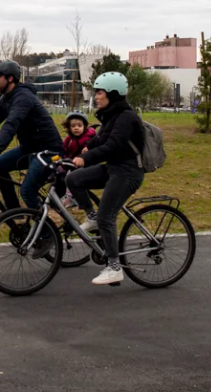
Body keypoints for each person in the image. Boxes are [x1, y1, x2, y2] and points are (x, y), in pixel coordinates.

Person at [0, 60, 64, 254]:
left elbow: (12, 123)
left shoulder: (23, 97)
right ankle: (14, 212)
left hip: (48, 151)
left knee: (27, 191)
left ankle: (48, 235)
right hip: (30, 149)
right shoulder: (6, 99)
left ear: (10, 79)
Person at [67, 71, 146, 286]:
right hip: (114, 168)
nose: (97, 96)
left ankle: (114, 266)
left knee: (107, 217)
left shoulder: (127, 118)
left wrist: (86, 157)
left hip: (128, 172)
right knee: (73, 180)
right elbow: (101, 139)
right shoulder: (112, 116)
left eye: (99, 92)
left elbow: (114, 146)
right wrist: (85, 149)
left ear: (112, 93)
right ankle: (91, 216)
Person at [60, 111, 96, 209]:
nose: (76, 128)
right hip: (71, 162)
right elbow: (64, 150)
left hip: (84, 164)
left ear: (84, 126)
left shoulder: (88, 138)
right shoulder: (69, 139)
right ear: (69, 127)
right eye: (73, 126)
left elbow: (92, 150)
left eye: (79, 125)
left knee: (70, 176)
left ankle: (70, 197)